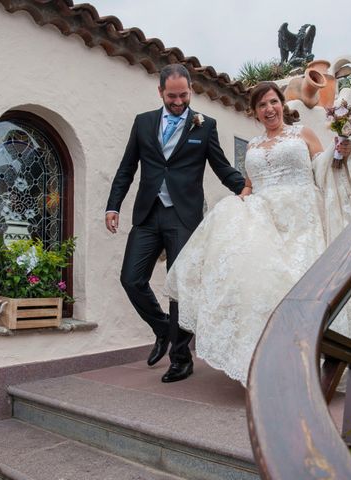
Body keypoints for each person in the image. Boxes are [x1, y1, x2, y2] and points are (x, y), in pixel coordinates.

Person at [165, 81, 351, 386]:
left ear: (283, 104)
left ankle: (310, 357)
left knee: (300, 282)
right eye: (262, 106)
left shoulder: (302, 133)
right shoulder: (253, 145)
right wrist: (241, 198)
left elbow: (321, 164)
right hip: (264, 217)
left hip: (301, 217)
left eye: (273, 102)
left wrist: (339, 151)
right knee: (261, 282)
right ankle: (269, 359)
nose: (269, 109)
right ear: (255, 112)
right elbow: (251, 184)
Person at [105, 64, 249, 383]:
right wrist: (113, 205)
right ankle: (161, 328)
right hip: (148, 213)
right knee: (131, 278)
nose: (178, 101)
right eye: (172, 96)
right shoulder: (143, 123)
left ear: (190, 91)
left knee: (180, 289)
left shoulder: (204, 125)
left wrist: (245, 189)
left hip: (183, 216)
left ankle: (181, 359)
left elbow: (222, 167)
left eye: (184, 95)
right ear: (160, 92)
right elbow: (127, 168)